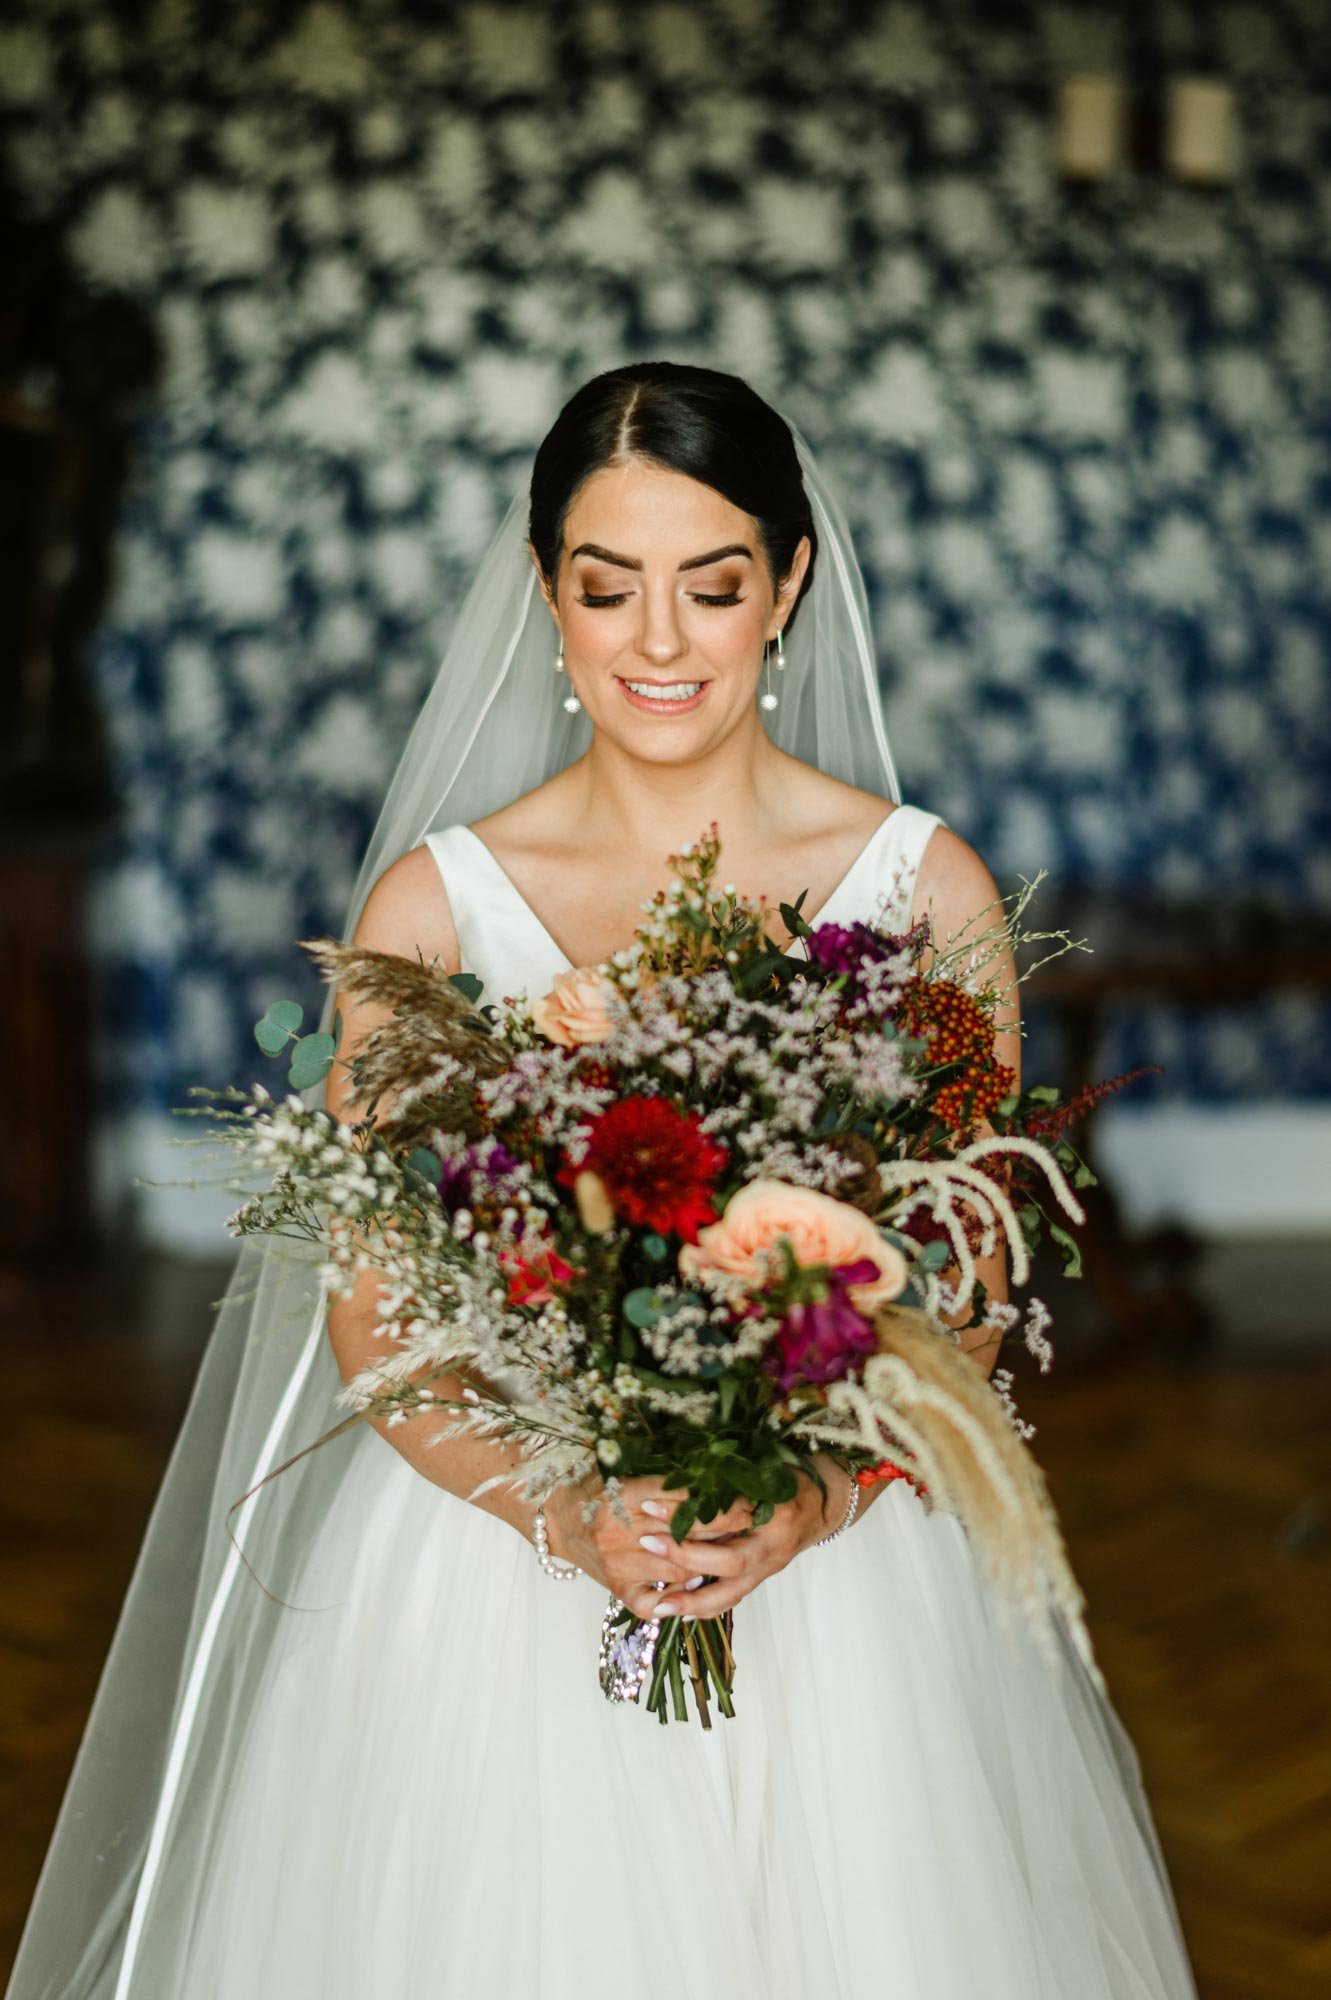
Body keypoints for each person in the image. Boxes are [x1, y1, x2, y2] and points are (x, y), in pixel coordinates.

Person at [6, 362, 1200, 1999]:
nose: (657, 641)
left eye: (711, 586)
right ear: (544, 592)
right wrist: (563, 1504)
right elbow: (377, 1322)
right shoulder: (434, 917)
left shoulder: (924, 891)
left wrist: (819, 1497)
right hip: (488, 1580)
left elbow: (969, 1287)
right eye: (606, 585)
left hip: (841, 1588)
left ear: (785, 587)